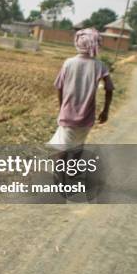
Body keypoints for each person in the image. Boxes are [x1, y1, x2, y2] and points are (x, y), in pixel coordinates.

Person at [47, 28, 114, 173]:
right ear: (95, 44)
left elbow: (59, 87)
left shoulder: (68, 63)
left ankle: (59, 176)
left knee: (63, 147)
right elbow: (109, 88)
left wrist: (61, 108)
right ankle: (73, 172)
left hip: (67, 115)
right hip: (87, 117)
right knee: (79, 145)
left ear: (77, 43)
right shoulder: (100, 66)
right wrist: (105, 110)